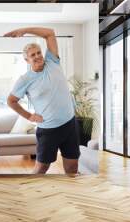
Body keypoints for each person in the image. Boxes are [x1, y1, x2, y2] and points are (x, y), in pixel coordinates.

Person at [5, 27, 80, 176]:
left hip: (70, 124)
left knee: (72, 168)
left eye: (39, 52)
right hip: (48, 130)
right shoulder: (25, 80)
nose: (38, 56)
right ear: (27, 60)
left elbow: (50, 33)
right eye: (33, 55)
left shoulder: (52, 61)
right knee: (41, 169)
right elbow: (11, 101)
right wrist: (29, 116)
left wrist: (24, 30)